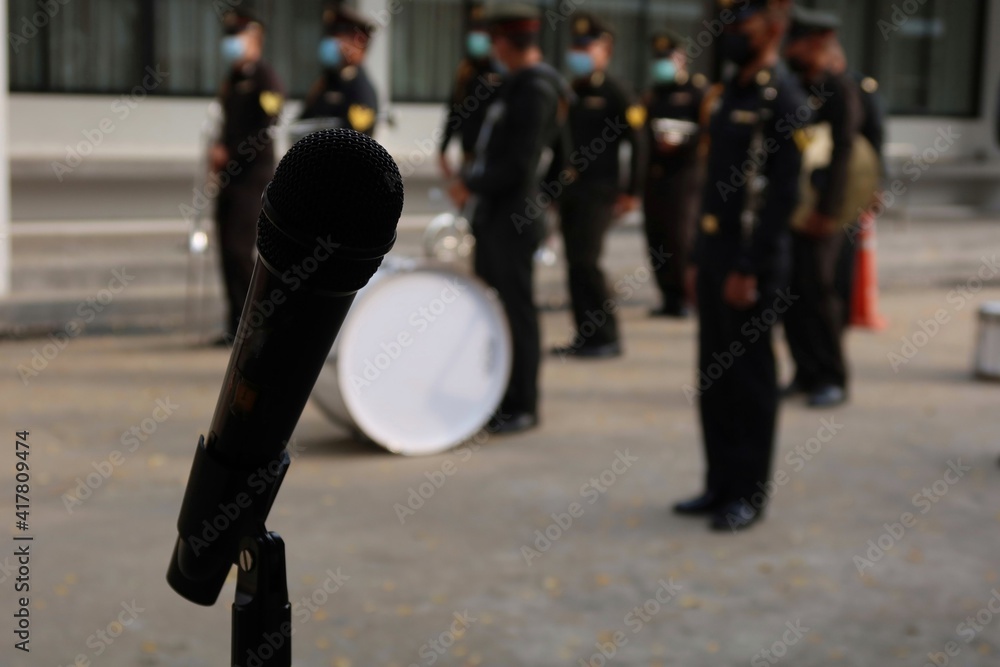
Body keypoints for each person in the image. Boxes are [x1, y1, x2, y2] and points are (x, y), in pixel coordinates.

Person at [673, 0, 803, 532]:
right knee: (714, 376)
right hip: (716, 254)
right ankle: (719, 483)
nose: (730, 34)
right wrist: (699, 258)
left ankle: (748, 493)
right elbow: (713, 188)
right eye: (725, 25)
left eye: (741, 26)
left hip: (754, 259)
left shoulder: (784, 99)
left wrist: (750, 266)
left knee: (749, 380)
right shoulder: (728, 93)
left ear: (772, 28)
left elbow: (781, 196)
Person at [448, 4, 572, 434]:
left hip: (513, 219)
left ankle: (522, 402)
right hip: (496, 216)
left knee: (517, 312)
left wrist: (473, 184)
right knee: (495, 309)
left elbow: (521, 165)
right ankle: (498, 393)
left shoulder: (535, 89)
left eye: (495, 39)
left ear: (505, 41)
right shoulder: (516, 85)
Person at [781, 7, 863, 408]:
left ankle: (832, 376)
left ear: (816, 45)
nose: (790, 49)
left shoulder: (839, 90)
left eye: (797, 43)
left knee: (819, 294)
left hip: (822, 214)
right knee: (790, 295)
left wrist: (827, 212)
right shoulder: (791, 85)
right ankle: (804, 371)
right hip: (790, 209)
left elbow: (845, 152)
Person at [549, 13, 642, 359]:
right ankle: (585, 334)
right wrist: (550, 190)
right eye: (576, 46)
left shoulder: (617, 92)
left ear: (606, 51)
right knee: (574, 264)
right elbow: (560, 145)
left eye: (588, 47)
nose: (580, 53)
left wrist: (633, 190)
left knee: (588, 262)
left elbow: (640, 142)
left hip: (600, 191)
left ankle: (606, 336)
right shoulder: (571, 90)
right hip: (571, 191)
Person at [212, 8, 284, 343]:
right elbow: (224, 126)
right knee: (226, 251)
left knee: (242, 252)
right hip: (228, 179)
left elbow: (266, 130)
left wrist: (233, 153)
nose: (232, 45)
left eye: (238, 37)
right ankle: (234, 325)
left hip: (252, 178)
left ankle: (254, 324)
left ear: (255, 40)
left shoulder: (264, 79)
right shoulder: (231, 80)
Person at [640, 30, 708, 318]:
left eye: (667, 58)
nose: (662, 64)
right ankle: (668, 296)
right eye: (659, 59)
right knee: (656, 236)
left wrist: (684, 142)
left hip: (685, 175)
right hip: (655, 176)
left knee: (679, 237)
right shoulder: (654, 94)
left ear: (682, 59)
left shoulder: (696, 91)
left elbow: (707, 133)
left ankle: (686, 297)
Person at [438, 2, 504, 180]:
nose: (477, 36)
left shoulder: (501, 70)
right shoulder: (465, 70)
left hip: (495, 158)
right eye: (474, 30)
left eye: (482, 31)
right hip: (468, 155)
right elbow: (455, 110)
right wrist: (443, 149)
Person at [300, 5, 378, 136]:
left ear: (359, 44)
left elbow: (357, 142)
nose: (335, 43)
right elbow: (304, 121)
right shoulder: (326, 81)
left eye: (342, 38)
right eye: (333, 36)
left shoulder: (362, 90)